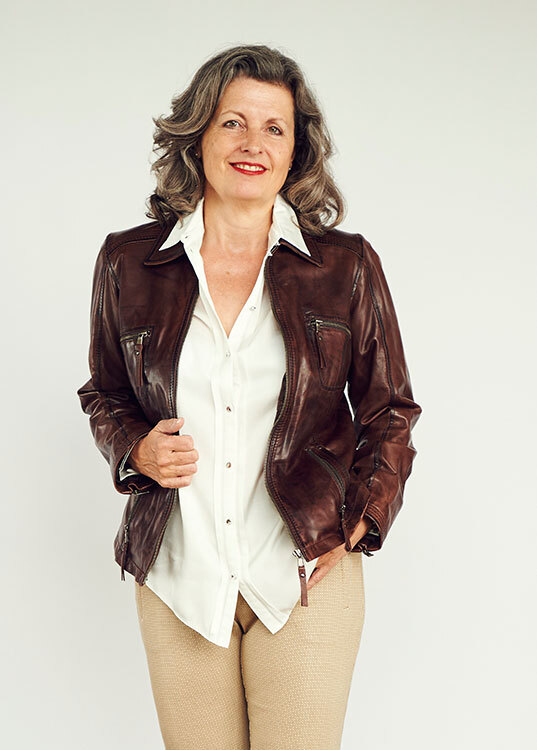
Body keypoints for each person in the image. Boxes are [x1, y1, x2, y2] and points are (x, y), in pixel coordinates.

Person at [77, 44, 422, 750]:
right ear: (198, 134)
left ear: (296, 150)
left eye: (274, 128)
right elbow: (105, 392)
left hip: (304, 574)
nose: (251, 144)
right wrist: (135, 448)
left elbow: (390, 409)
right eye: (232, 122)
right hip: (179, 573)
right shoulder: (127, 262)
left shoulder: (346, 266)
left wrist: (360, 522)